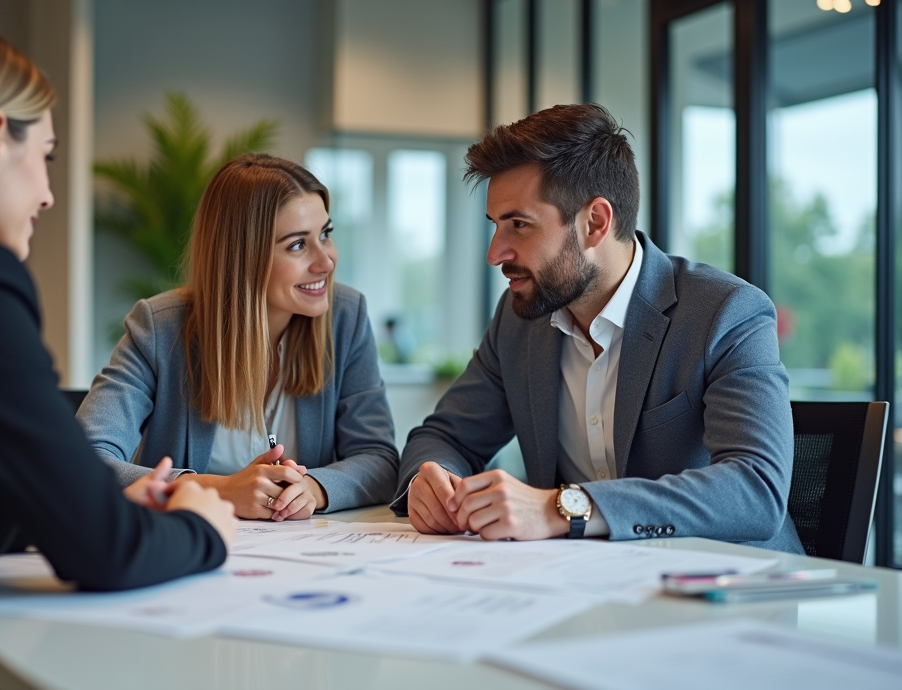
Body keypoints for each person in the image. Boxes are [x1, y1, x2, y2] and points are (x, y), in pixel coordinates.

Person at [0, 12, 238, 688]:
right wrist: (201, 526)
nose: (46, 195)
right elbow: (105, 556)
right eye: (44, 155)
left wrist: (85, 506)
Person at [393, 103, 803, 554]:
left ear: (595, 222)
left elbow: (755, 490)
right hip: (581, 590)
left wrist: (564, 509)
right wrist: (430, 481)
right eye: (495, 226)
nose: (495, 253)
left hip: (725, 591)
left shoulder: (725, 313)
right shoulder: (518, 320)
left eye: (519, 225)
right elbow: (445, 437)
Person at [80, 155, 399, 520]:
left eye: (325, 234)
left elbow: (380, 460)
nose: (326, 262)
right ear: (243, 257)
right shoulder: (159, 327)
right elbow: (84, 457)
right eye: (297, 245)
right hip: (188, 554)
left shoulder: (346, 316)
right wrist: (219, 490)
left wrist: (315, 487)